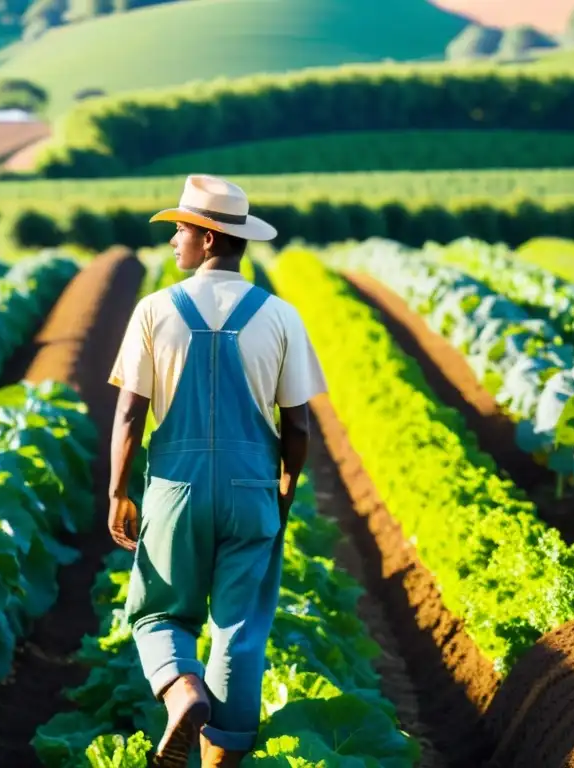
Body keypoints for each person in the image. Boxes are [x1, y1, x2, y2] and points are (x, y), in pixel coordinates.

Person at [106, 174, 328, 767]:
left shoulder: (154, 311)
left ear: (207, 238)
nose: (174, 240)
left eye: (180, 229)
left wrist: (117, 494)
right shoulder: (280, 316)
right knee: (238, 628)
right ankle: (220, 759)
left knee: (158, 610)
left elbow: (130, 414)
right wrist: (281, 492)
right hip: (251, 488)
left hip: (174, 491)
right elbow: (299, 426)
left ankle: (181, 692)